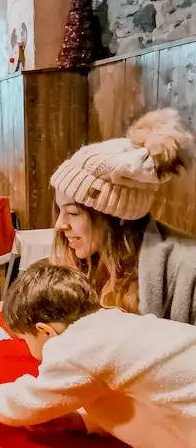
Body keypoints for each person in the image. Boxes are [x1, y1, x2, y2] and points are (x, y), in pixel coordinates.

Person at [0, 262, 196, 448]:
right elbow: (135, 397)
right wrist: (82, 420)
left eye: (24, 339)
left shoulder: (74, 350)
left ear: (45, 331)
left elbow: (28, 403)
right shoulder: (113, 321)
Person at [50, 108, 196, 324]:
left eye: (72, 213)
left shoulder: (186, 268)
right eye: (60, 211)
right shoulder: (83, 260)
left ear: (116, 217)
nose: (60, 225)